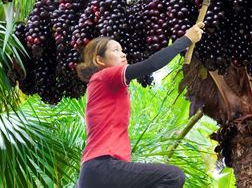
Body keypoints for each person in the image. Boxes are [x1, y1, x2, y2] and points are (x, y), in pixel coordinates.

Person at [76, 22, 205, 188]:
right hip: (103, 166)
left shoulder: (103, 86)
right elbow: (151, 65)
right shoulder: (105, 76)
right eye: (115, 50)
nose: (123, 55)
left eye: (122, 50)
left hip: (94, 174)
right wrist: (186, 40)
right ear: (99, 60)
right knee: (172, 176)